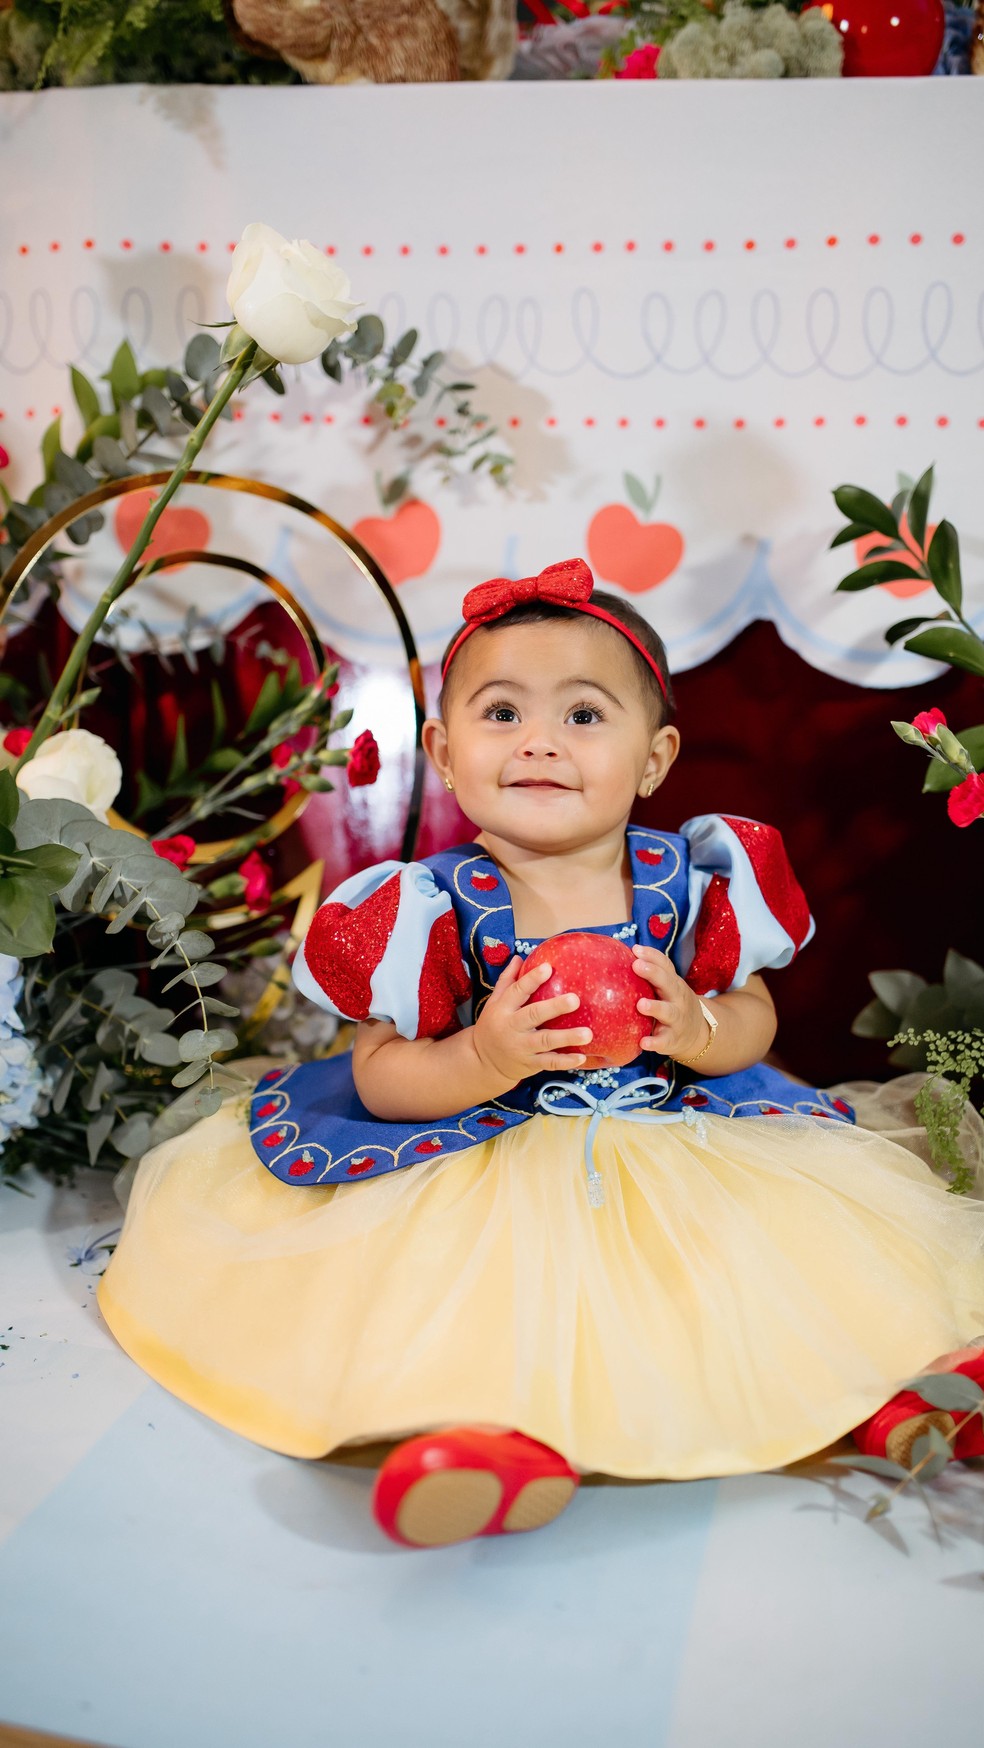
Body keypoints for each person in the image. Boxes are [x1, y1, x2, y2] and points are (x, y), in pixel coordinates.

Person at [98, 558, 984, 1550]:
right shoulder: (425, 906)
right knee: (460, 1293)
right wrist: (480, 1053)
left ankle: (904, 1392)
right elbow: (379, 1073)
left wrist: (703, 1029)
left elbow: (753, 1014)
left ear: (654, 757)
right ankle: (489, 1438)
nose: (540, 743)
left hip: (674, 1133)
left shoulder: (689, 878)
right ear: (442, 749)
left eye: (585, 716)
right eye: (503, 712)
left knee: (775, 1274)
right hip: (487, 1143)